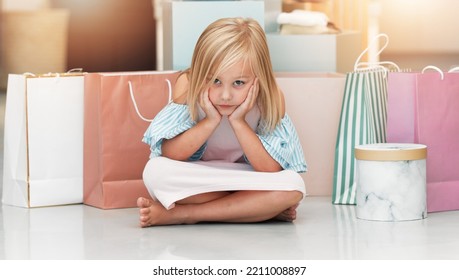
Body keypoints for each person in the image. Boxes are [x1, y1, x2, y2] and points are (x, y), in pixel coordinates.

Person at [137, 17, 307, 227]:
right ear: (201, 72)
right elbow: (170, 152)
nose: (225, 95)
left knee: (293, 185)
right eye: (215, 81)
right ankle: (254, 209)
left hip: (247, 179)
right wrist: (210, 121)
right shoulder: (189, 85)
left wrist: (239, 122)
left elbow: (270, 168)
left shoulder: (270, 98)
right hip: (201, 176)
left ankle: (184, 214)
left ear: (259, 78)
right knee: (155, 172)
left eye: (238, 83)